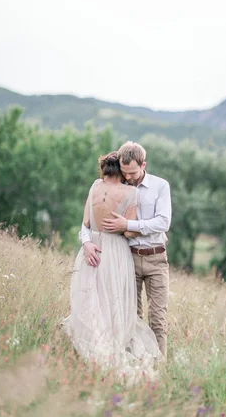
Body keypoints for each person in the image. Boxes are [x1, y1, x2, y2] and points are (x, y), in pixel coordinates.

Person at [64, 152, 162, 380]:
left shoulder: (95, 186)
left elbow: (86, 222)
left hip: (92, 249)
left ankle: (91, 340)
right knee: (113, 299)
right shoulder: (131, 192)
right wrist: (131, 226)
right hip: (115, 252)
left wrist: (87, 242)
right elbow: (127, 230)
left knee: (92, 298)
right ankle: (111, 345)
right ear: (121, 169)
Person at [82, 141, 172, 359]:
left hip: (155, 258)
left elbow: (163, 222)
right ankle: (133, 361)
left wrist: (128, 226)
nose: (129, 177)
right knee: (130, 316)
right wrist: (86, 240)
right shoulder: (116, 185)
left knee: (158, 317)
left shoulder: (160, 186)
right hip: (127, 258)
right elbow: (93, 221)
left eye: (132, 172)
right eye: (125, 173)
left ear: (144, 165)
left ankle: (159, 366)